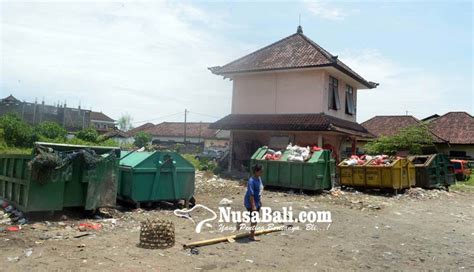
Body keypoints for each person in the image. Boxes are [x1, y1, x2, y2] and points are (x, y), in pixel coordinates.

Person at [244, 164, 264, 241]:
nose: (262, 173)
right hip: (250, 202)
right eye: (260, 171)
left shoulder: (259, 178)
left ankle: (240, 221)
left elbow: (259, 190)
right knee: (254, 219)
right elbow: (251, 195)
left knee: (253, 218)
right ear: (256, 171)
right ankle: (251, 236)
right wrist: (253, 206)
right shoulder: (251, 181)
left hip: (256, 201)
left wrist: (259, 201)